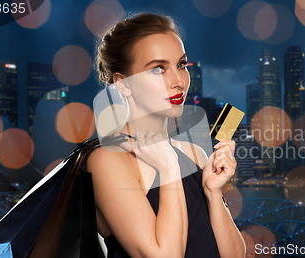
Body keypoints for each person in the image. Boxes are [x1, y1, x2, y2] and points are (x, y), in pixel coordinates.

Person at [86, 12, 246, 258]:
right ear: (123, 83)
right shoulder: (108, 160)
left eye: (181, 65)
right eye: (158, 69)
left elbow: (234, 256)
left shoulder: (194, 152)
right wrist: (169, 168)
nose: (179, 81)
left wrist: (213, 193)